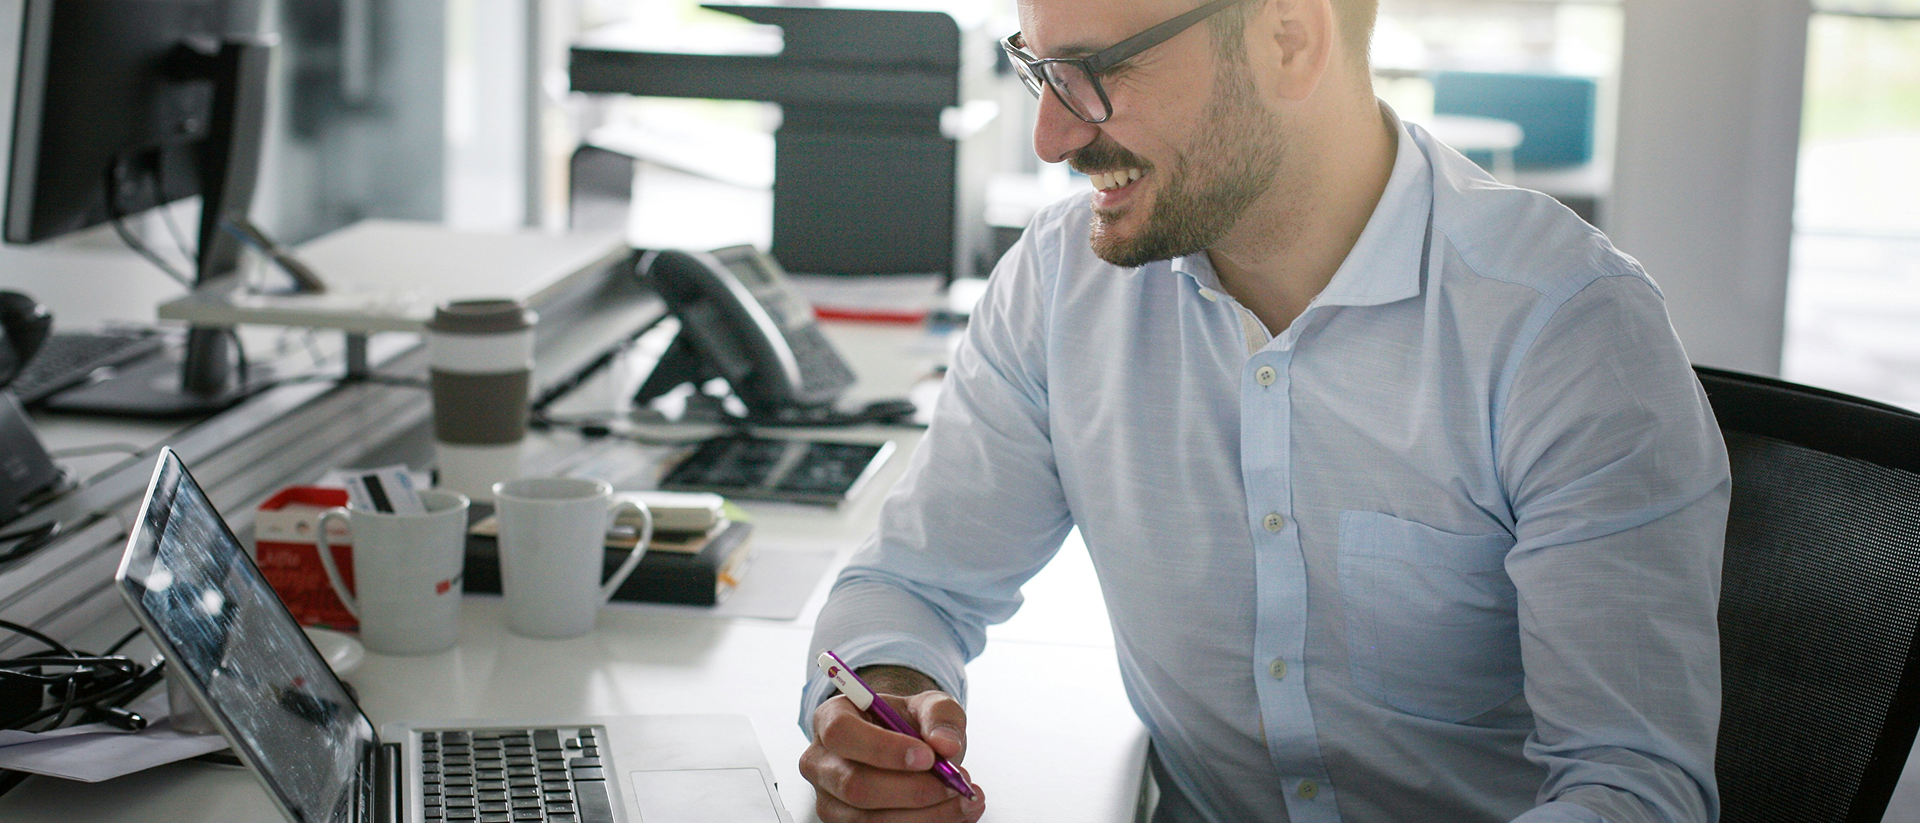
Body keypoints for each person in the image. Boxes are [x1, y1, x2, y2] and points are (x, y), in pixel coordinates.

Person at [798, 0, 1730, 820]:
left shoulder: (1563, 329)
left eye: (1094, 71)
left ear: (1289, 39)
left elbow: (1632, 789)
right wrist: (887, 704)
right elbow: (916, 584)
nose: (1050, 136)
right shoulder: (1059, 285)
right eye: (1039, 68)